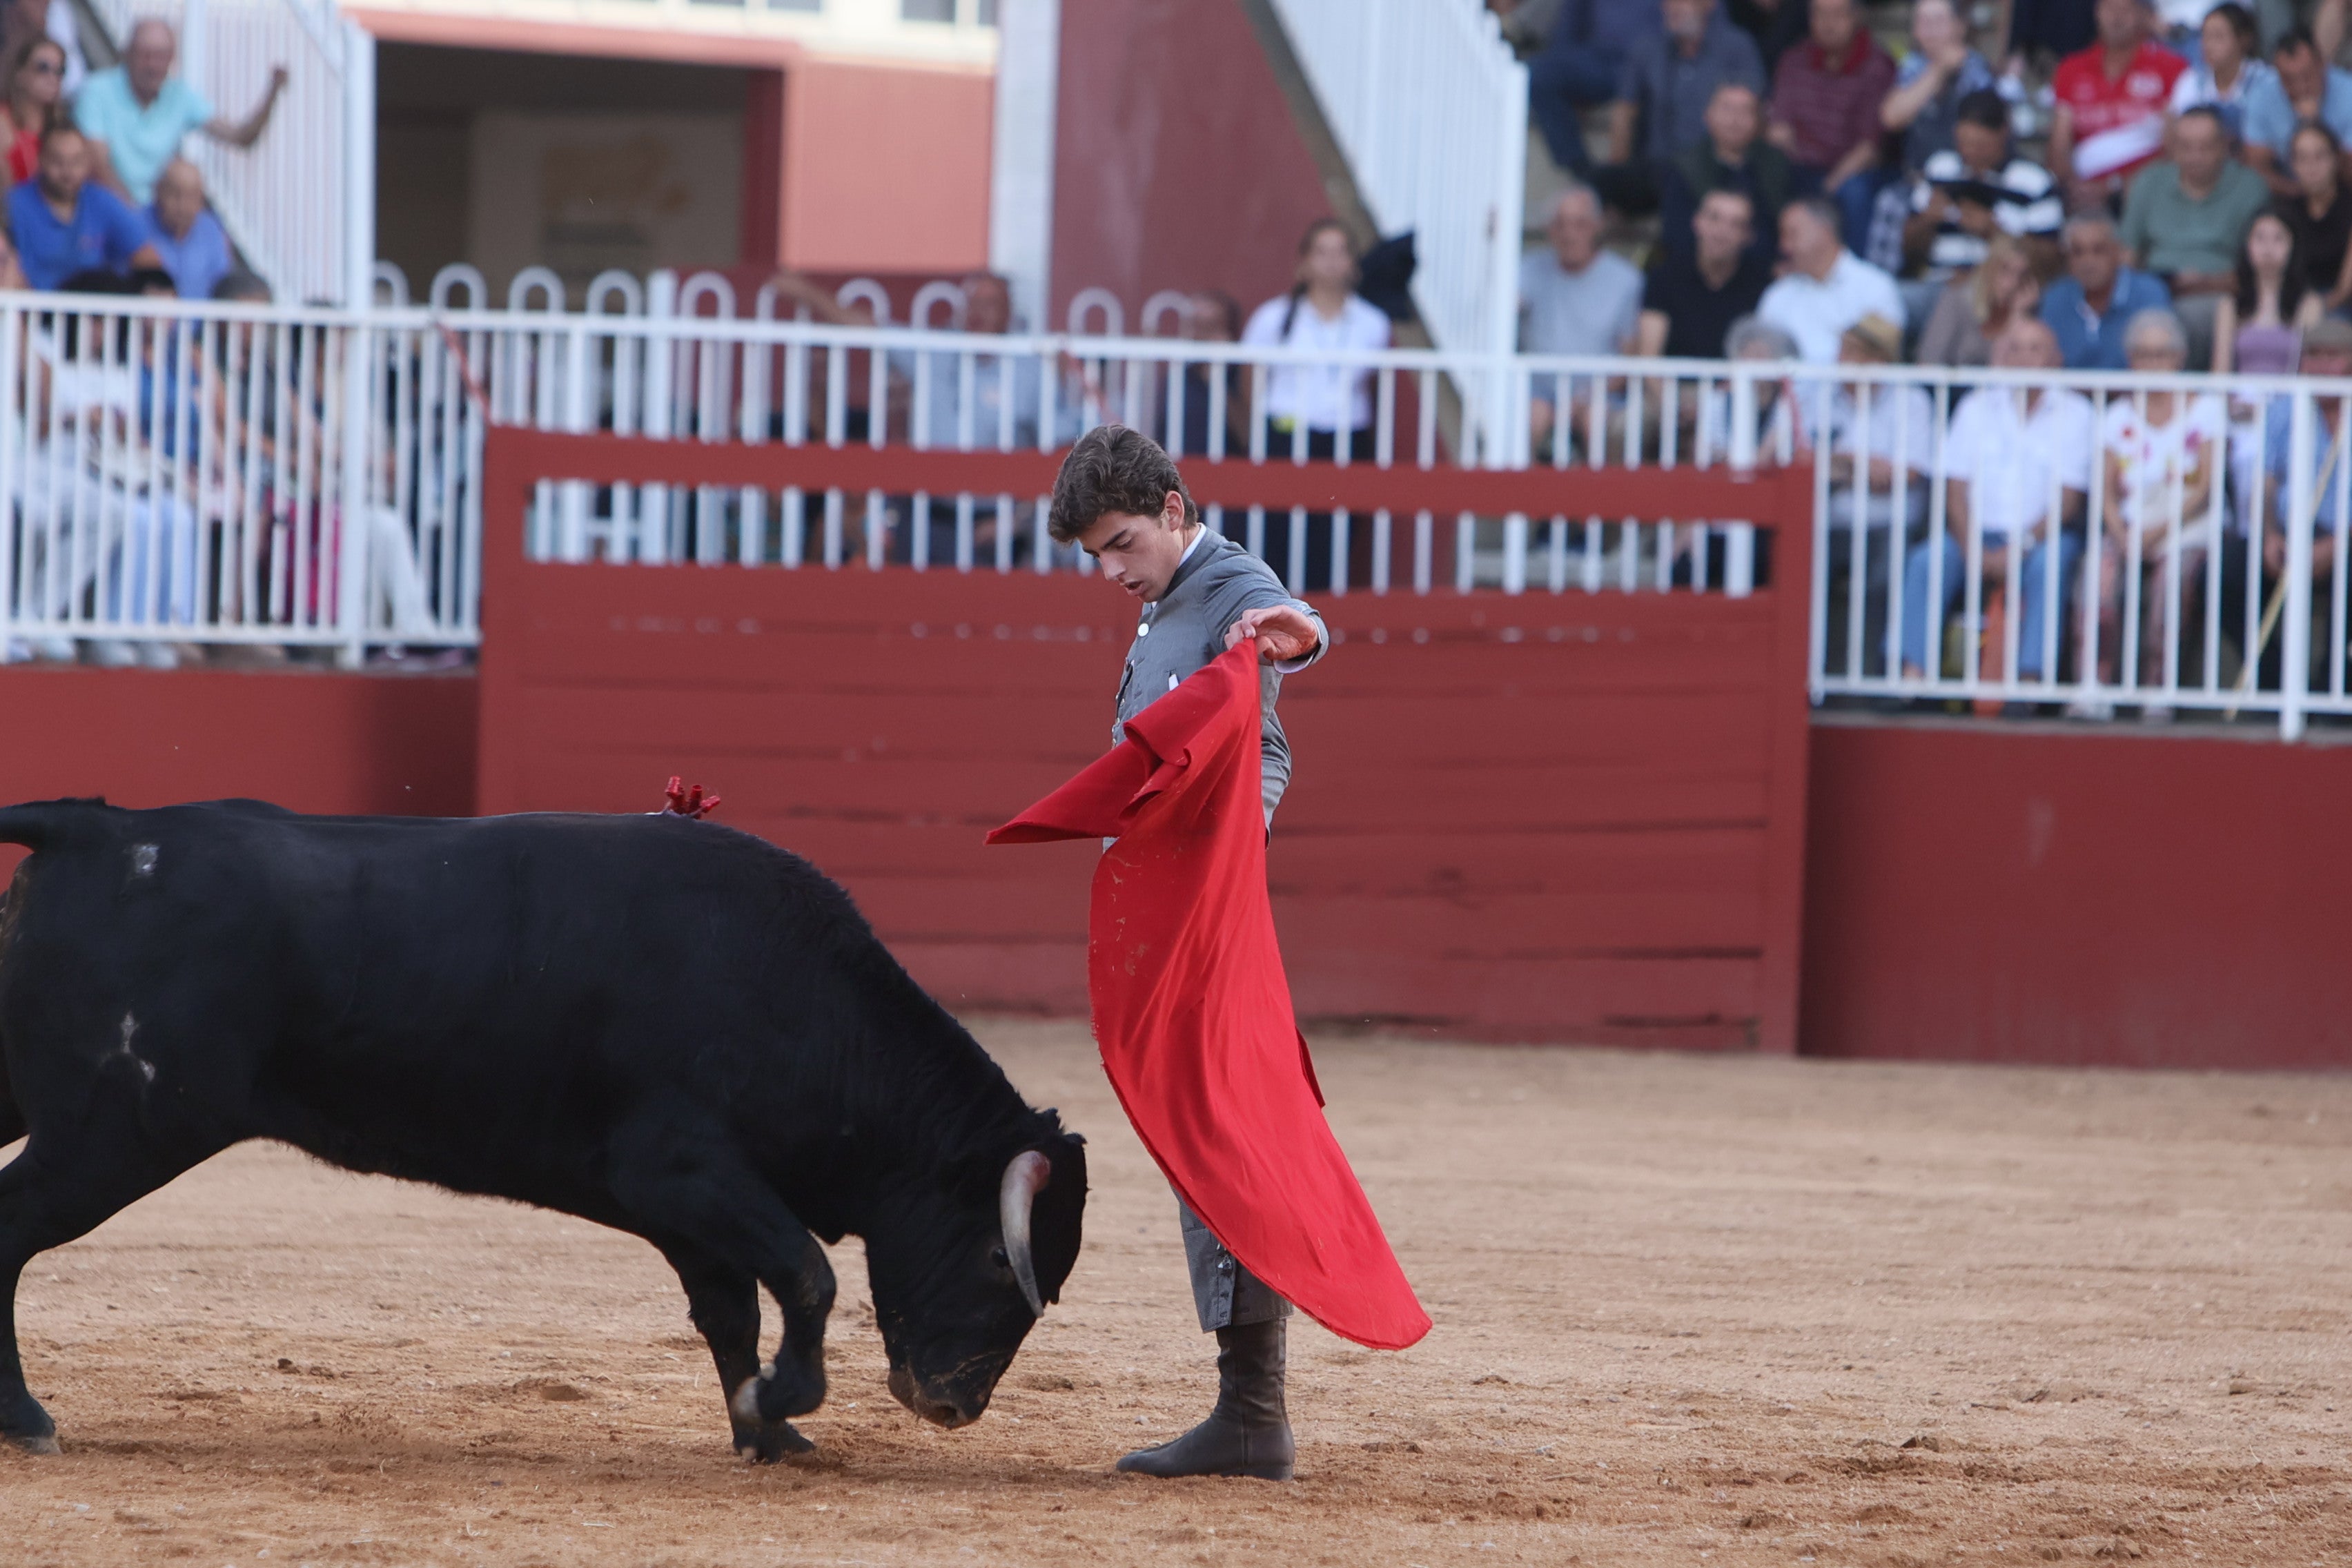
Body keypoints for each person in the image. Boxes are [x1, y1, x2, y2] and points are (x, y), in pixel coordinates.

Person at [1044, 423, 1329, 1483]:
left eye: (1122, 544)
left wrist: (1291, 633)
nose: (1113, 571)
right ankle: (1248, 1409)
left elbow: (1295, 627)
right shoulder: (1174, 599)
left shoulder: (1226, 584)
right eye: (1095, 558)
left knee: (1217, 1130)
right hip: (1179, 898)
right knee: (1204, 1127)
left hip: (1207, 907)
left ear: (1173, 508)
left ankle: (1253, 1414)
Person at [1899, 316, 2095, 689]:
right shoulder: (1976, 405)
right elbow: (1954, 488)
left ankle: (2030, 679)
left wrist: (2019, 547)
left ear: (2056, 358)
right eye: (2015, 348)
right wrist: (1973, 546)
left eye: (2035, 349)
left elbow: (2068, 503)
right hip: (1973, 535)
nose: (2024, 358)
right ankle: (1910, 675)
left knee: (2052, 564)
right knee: (1928, 560)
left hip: (2042, 537)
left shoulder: (2077, 413)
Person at [1242, 219, 1391, 590]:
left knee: (1336, 530)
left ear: (1354, 264)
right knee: (1279, 531)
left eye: (1341, 252)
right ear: (1303, 262)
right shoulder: (1273, 318)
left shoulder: (1373, 323)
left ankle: (1319, 623)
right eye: (1321, 252)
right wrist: (1253, 430)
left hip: (1347, 434)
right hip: (1286, 432)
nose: (1330, 262)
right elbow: (1248, 376)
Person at [2094, 308, 2226, 715]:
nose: (2153, 364)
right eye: (2143, 355)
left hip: (2187, 524)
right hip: (2130, 525)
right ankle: (2094, 685)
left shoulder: (2204, 409)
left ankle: (2159, 688)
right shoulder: (2117, 414)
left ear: (2180, 357)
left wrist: (2158, 533)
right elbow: (2105, 492)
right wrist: (2120, 531)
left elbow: (2205, 488)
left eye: (2162, 354)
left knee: (2172, 582)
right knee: (2097, 578)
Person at [1815, 313, 1934, 678]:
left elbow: (1905, 475)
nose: (1841, 359)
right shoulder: (1823, 395)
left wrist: (1844, 465)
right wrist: (1865, 467)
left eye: (1852, 352)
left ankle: (1874, 678)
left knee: (1884, 580)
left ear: (1878, 360)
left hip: (1890, 522)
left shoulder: (1911, 399)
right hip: (1828, 519)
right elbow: (1808, 462)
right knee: (1800, 567)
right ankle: (1809, 677)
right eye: (1843, 349)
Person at [2117, 105, 2271, 365]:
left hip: (2223, 295)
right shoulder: (2148, 182)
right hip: (2155, 292)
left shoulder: (2250, 187)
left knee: (2197, 316)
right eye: (2185, 147)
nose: (2194, 157)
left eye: (2205, 147)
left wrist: (2203, 283)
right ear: (2172, 147)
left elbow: (2259, 267)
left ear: (2224, 146)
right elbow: (2126, 256)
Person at [75, 19, 286, 206]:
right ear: (127, 54)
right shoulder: (96, 91)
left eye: (162, 56)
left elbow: (241, 138)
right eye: (145, 55)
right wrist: (134, 218)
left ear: (172, 59)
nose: (153, 65)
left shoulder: (180, 95)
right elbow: (98, 165)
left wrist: (272, 93)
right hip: (105, 207)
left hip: (158, 215)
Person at [1598, 0, 1765, 215]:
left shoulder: (1736, 46)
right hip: (1660, 167)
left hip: (1714, 166)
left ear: (1709, 5)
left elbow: (1756, 111)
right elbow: (1625, 110)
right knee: (1599, 183)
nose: (1674, 7)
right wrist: (1619, 166)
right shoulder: (1648, 47)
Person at [1764, 0, 1896, 250]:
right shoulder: (1794, 59)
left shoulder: (1877, 66)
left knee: (1854, 192)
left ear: (1857, 17)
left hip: (1850, 171)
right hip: (1800, 166)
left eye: (1837, 15)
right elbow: (1779, 131)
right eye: (1820, 15)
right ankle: (1776, 268)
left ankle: (1853, 275)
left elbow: (1869, 149)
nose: (1828, 24)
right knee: (1765, 173)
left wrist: (1827, 189)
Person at [1901, 88, 2064, 281]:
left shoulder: (2035, 182)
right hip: (1937, 282)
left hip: (1996, 288)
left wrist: (1995, 233)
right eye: (1964, 143)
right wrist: (1927, 220)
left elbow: (2051, 263)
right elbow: (1907, 248)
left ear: (2003, 133)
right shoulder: (1939, 169)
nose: (1970, 152)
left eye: (1980, 145)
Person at [2048, 0, 2186, 211]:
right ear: (2097, 12)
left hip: (2145, 197)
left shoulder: (2171, 68)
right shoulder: (2070, 68)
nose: (2116, 18)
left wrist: (2116, 186)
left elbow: (2173, 150)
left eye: (2125, 10)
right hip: (2081, 196)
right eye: (2109, 9)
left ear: (2144, 15)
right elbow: (2059, 144)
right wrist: (2074, 186)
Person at [7, 124, 161, 290]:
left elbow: (147, 258)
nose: (67, 172)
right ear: (41, 159)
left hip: (94, 313)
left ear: (88, 162)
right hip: (30, 312)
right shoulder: (13, 205)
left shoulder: (101, 201)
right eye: (57, 161)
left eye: (76, 161)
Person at [1756, 195, 1905, 362]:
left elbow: (1883, 358)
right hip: (1790, 389)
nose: (1784, 246)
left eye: (1792, 234)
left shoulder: (1876, 287)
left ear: (1824, 231)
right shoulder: (1777, 295)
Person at [1658, 81, 1795, 260]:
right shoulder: (1685, 167)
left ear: (1759, 121)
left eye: (1746, 111)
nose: (1735, 119)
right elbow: (1676, 234)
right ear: (1707, 115)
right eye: (1727, 108)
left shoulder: (1777, 164)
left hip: (1766, 270)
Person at [1529, 0, 1665, 174]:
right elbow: (1568, 27)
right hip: (1598, 61)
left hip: (1653, 63)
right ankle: (1580, 169)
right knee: (1540, 74)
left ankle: (1642, 180)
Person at [1639, 186, 1774, 356]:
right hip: (1671, 383)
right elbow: (1649, 359)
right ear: (1697, 221)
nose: (1721, 232)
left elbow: (1761, 364)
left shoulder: (1763, 287)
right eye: (1714, 218)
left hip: (1736, 383)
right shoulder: (1664, 279)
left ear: (1749, 236)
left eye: (1736, 224)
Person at [2041, 210, 2173, 368]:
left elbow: (2163, 362)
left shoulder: (2149, 293)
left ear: (2117, 252)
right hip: (2067, 393)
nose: (2088, 262)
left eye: (2098, 250)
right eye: (2077, 252)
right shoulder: (2055, 299)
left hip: (2136, 392)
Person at [1880, 0, 1997, 175]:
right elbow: (1891, 118)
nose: (1931, 30)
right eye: (1923, 21)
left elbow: (1990, 133)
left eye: (1938, 21)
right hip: (1917, 176)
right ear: (1914, 31)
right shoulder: (1912, 66)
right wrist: (1938, 69)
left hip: (1968, 176)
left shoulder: (1977, 69)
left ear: (1959, 26)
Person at [2240, 30, 2352, 200]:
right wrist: (2299, 195)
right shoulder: (2262, 97)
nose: (2300, 87)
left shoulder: (2348, 93)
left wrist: (2314, 124)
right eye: (2289, 79)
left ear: (2322, 64)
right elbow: (2257, 168)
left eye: (2307, 76)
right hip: (2289, 196)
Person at [2212, 208, 2321, 373]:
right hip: (2241, 398)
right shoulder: (2230, 305)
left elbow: (2308, 369)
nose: (2268, 248)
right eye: (2260, 238)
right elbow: (2220, 371)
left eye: (2278, 239)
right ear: (2247, 245)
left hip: (2289, 397)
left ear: (2293, 246)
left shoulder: (2309, 304)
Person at [1917, 229, 2045, 366]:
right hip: (1955, 386)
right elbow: (1927, 361)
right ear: (1989, 267)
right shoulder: (1957, 301)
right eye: (2005, 270)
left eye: (2021, 274)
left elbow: (2017, 368)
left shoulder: (2028, 308)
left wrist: (2017, 317)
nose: (2012, 283)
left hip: (2002, 388)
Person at [2166, 3, 2272, 141]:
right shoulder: (2190, 81)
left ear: (2244, 39)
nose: (2208, 45)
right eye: (2205, 36)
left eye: (2218, 37)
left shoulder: (2266, 81)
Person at [145, 157, 230, 301]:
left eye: (191, 196)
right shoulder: (136, 227)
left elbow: (223, 286)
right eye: (174, 194)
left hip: (202, 323)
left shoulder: (211, 230)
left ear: (201, 199)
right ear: (158, 191)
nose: (182, 205)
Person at [0, 35, 63, 190]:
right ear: (20, 74)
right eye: (43, 68)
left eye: (60, 70)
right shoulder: (3, 121)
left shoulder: (62, 129)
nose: (53, 78)